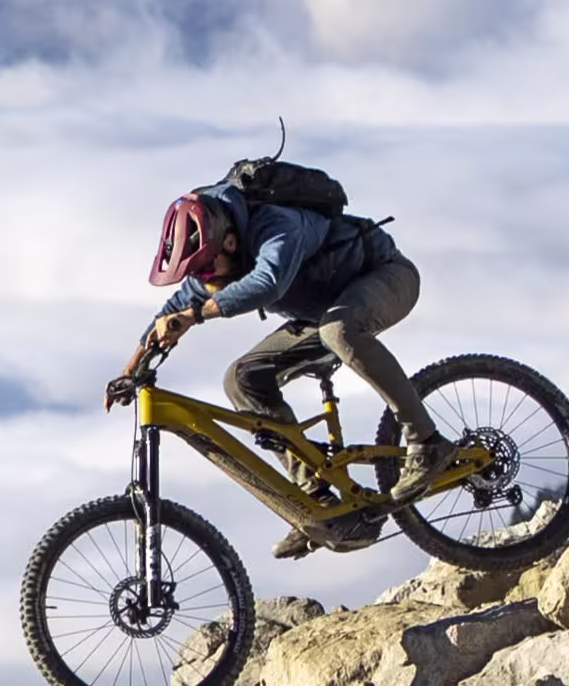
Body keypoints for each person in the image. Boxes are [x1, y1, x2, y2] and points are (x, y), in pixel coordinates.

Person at [105, 157, 444, 557]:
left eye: (207, 272)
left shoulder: (277, 224)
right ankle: (313, 501)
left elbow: (267, 283)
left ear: (228, 242)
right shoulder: (215, 262)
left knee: (340, 331)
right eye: (199, 278)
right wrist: (131, 368)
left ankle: (428, 442)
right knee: (242, 378)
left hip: (385, 277)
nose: (206, 283)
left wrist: (194, 316)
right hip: (318, 315)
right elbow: (173, 309)